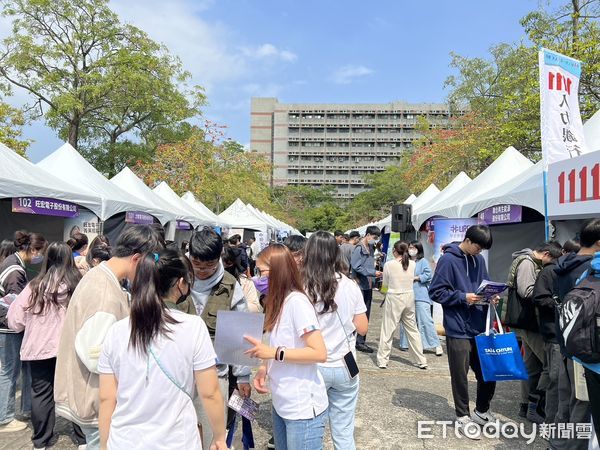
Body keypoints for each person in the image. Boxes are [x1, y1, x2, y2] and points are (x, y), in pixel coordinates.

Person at [97, 248, 227, 450]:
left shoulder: (116, 331)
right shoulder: (193, 327)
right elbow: (209, 392)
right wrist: (220, 437)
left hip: (124, 441)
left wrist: (104, 445)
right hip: (177, 441)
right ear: (181, 283)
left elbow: (107, 399)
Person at [54, 225, 163, 450]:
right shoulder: (105, 293)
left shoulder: (100, 275)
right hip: (96, 404)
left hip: (94, 399)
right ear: (136, 258)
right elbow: (96, 357)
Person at [244, 244, 328, 450]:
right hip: (282, 403)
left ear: (278, 271)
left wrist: (273, 353)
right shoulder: (277, 302)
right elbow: (278, 343)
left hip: (302, 410)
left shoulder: (297, 303)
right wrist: (265, 366)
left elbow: (319, 352)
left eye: (262, 272)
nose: (258, 279)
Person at [8, 242, 83, 450]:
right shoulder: (78, 285)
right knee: (74, 391)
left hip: (39, 349)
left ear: (48, 259)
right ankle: (82, 438)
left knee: (41, 393)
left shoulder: (34, 286)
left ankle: (41, 441)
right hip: (71, 348)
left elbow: (15, 320)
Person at [428, 224, 496, 437]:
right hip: (458, 326)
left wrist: (491, 295)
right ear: (468, 240)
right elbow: (436, 292)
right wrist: (462, 297)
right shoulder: (448, 260)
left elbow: (483, 285)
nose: (480, 251)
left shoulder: (479, 260)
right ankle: (462, 416)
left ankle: (481, 410)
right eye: (479, 247)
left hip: (479, 325)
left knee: (488, 371)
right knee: (460, 375)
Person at [185, 228, 251, 446]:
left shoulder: (231, 287)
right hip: (176, 375)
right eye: (196, 264)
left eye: (209, 266)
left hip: (215, 375)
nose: (202, 271)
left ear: (219, 257)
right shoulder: (174, 275)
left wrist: (242, 377)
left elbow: (240, 336)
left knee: (214, 439)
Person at [302, 231, 367, 450]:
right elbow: (363, 327)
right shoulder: (350, 286)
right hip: (344, 365)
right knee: (343, 431)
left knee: (312, 430)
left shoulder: (302, 287)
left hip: (312, 367)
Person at [549, 219, 600, 450]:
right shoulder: (591, 268)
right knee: (581, 406)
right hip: (588, 350)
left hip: (567, 341)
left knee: (565, 401)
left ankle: (557, 444)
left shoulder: (563, 264)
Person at [505, 241, 562, 423]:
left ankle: (525, 406)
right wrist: (545, 290)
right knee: (548, 364)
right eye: (552, 260)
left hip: (527, 322)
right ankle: (534, 406)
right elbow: (527, 291)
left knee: (530, 366)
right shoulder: (528, 262)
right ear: (546, 254)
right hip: (528, 321)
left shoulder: (527, 261)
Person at [0, 230, 47, 433]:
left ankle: (24, 409)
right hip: (7, 327)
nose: (40, 256)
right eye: (40, 251)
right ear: (31, 249)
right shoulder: (15, 271)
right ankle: (5, 417)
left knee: (13, 369)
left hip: (8, 326)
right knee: (9, 371)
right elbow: (15, 304)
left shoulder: (13, 261)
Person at [376, 241, 427, 370]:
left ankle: (383, 359)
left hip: (394, 296)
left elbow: (385, 285)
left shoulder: (389, 264)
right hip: (409, 296)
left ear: (394, 250)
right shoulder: (413, 264)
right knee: (412, 329)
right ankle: (421, 360)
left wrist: (384, 293)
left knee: (388, 329)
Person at [399, 241, 442, 356]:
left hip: (421, 294)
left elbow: (429, 275)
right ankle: (406, 343)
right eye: (409, 247)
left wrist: (417, 278)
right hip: (406, 294)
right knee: (407, 320)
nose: (411, 249)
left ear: (418, 249)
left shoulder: (423, 262)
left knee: (425, 320)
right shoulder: (405, 262)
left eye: (413, 247)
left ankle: (435, 344)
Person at [351, 225, 382, 353]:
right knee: (357, 313)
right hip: (360, 285)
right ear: (368, 235)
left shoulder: (370, 247)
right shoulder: (359, 248)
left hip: (368, 285)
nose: (374, 240)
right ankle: (354, 340)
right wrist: (372, 273)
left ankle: (361, 340)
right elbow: (356, 266)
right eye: (374, 237)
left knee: (366, 313)